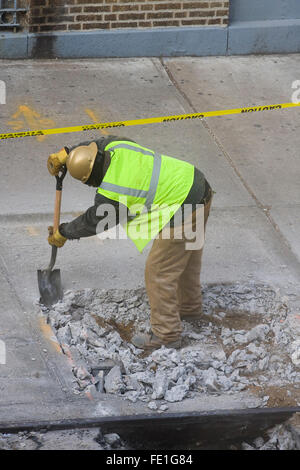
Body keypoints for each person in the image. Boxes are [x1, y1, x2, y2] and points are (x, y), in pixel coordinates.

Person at [47, 135, 213, 351]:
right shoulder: (116, 147)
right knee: (186, 258)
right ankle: (189, 309)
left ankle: (167, 334)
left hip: (182, 206)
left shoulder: (114, 193)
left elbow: (94, 221)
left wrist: (64, 232)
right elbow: (100, 142)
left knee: (159, 271)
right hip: (196, 185)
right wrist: (68, 154)